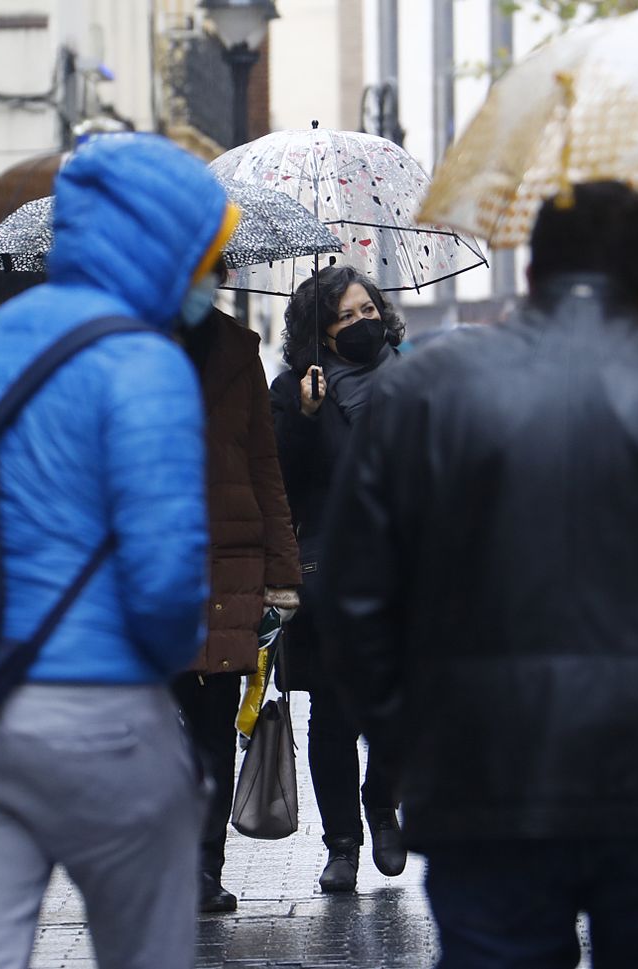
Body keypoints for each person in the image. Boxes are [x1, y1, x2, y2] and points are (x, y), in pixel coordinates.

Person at [320, 181, 638, 968]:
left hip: (484, 776)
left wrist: (414, 738)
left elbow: (354, 595)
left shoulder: (425, 392)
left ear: (533, 275)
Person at [0, 134, 228, 969]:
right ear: (161, 248)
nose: (209, 279)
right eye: (205, 257)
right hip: (99, 713)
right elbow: (163, 583)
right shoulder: (143, 365)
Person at [269, 265, 407, 893]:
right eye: (344, 317)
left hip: (407, 568)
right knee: (333, 715)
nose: (360, 324)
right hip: (330, 569)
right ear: (320, 331)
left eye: (366, 310)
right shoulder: (295, 388)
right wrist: (302, 415)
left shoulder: (414, 377)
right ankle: (343, 842)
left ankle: (383, 802)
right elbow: (281, 484)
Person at [173, 285, 302, 914]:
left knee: (214, 721)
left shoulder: (235, 347)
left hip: (230, 560)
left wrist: (282, 574)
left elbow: (263, 463)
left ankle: (202, 868)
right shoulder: (119, 341)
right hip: (151, 560)